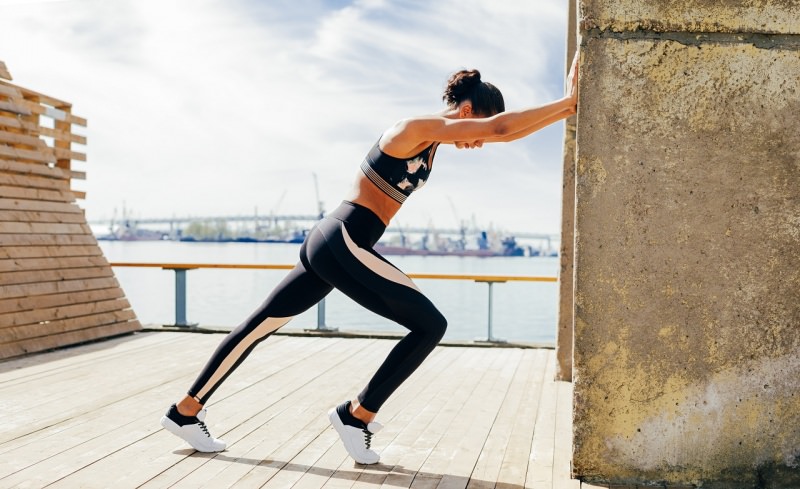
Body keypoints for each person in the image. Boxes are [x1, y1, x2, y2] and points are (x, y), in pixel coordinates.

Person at [160, 54, 579, 465]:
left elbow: (499, 129)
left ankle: (185, 411)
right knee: (431, 326)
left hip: (332, 242)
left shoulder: (432, 146)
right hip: (345, 237)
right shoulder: (412, 128)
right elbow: (503, 128)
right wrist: (569, 103)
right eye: (478, 130)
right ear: (467, 111)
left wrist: (565, 108)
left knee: (258, 326)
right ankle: (355, 415)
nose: (479, 141)